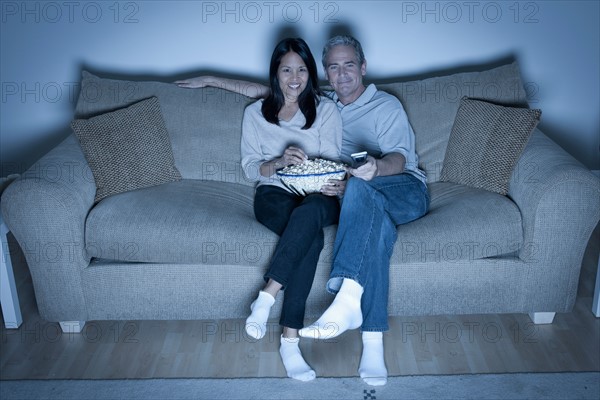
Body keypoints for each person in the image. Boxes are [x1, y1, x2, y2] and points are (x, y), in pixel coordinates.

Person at [176, 35, 429, 387]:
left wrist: (373, 169)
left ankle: (325, 298)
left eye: (349, 65)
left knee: (355, 192)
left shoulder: (383, 105)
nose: (341, 75)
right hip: (346, 193)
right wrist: (212, 80)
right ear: (323, 73)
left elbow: (401, 159)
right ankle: (367, 340)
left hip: (401, 186)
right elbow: (273, 93)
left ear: (363, 68)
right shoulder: (324, 100)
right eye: (334, 67)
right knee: (367, 228)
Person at [181, 38, 343, 382]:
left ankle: (266, 297)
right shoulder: (255, 113)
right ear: (276, 73)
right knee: (309, 239)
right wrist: (280, 161)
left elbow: (332, 160)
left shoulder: (326, 109)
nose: (295, 77)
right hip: (274, 192)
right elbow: (251, 169)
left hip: (318, 195)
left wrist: (317, 172)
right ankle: (289, 340)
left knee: (311, 213)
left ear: (310, 73)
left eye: (301, 69)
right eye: (286, 70)